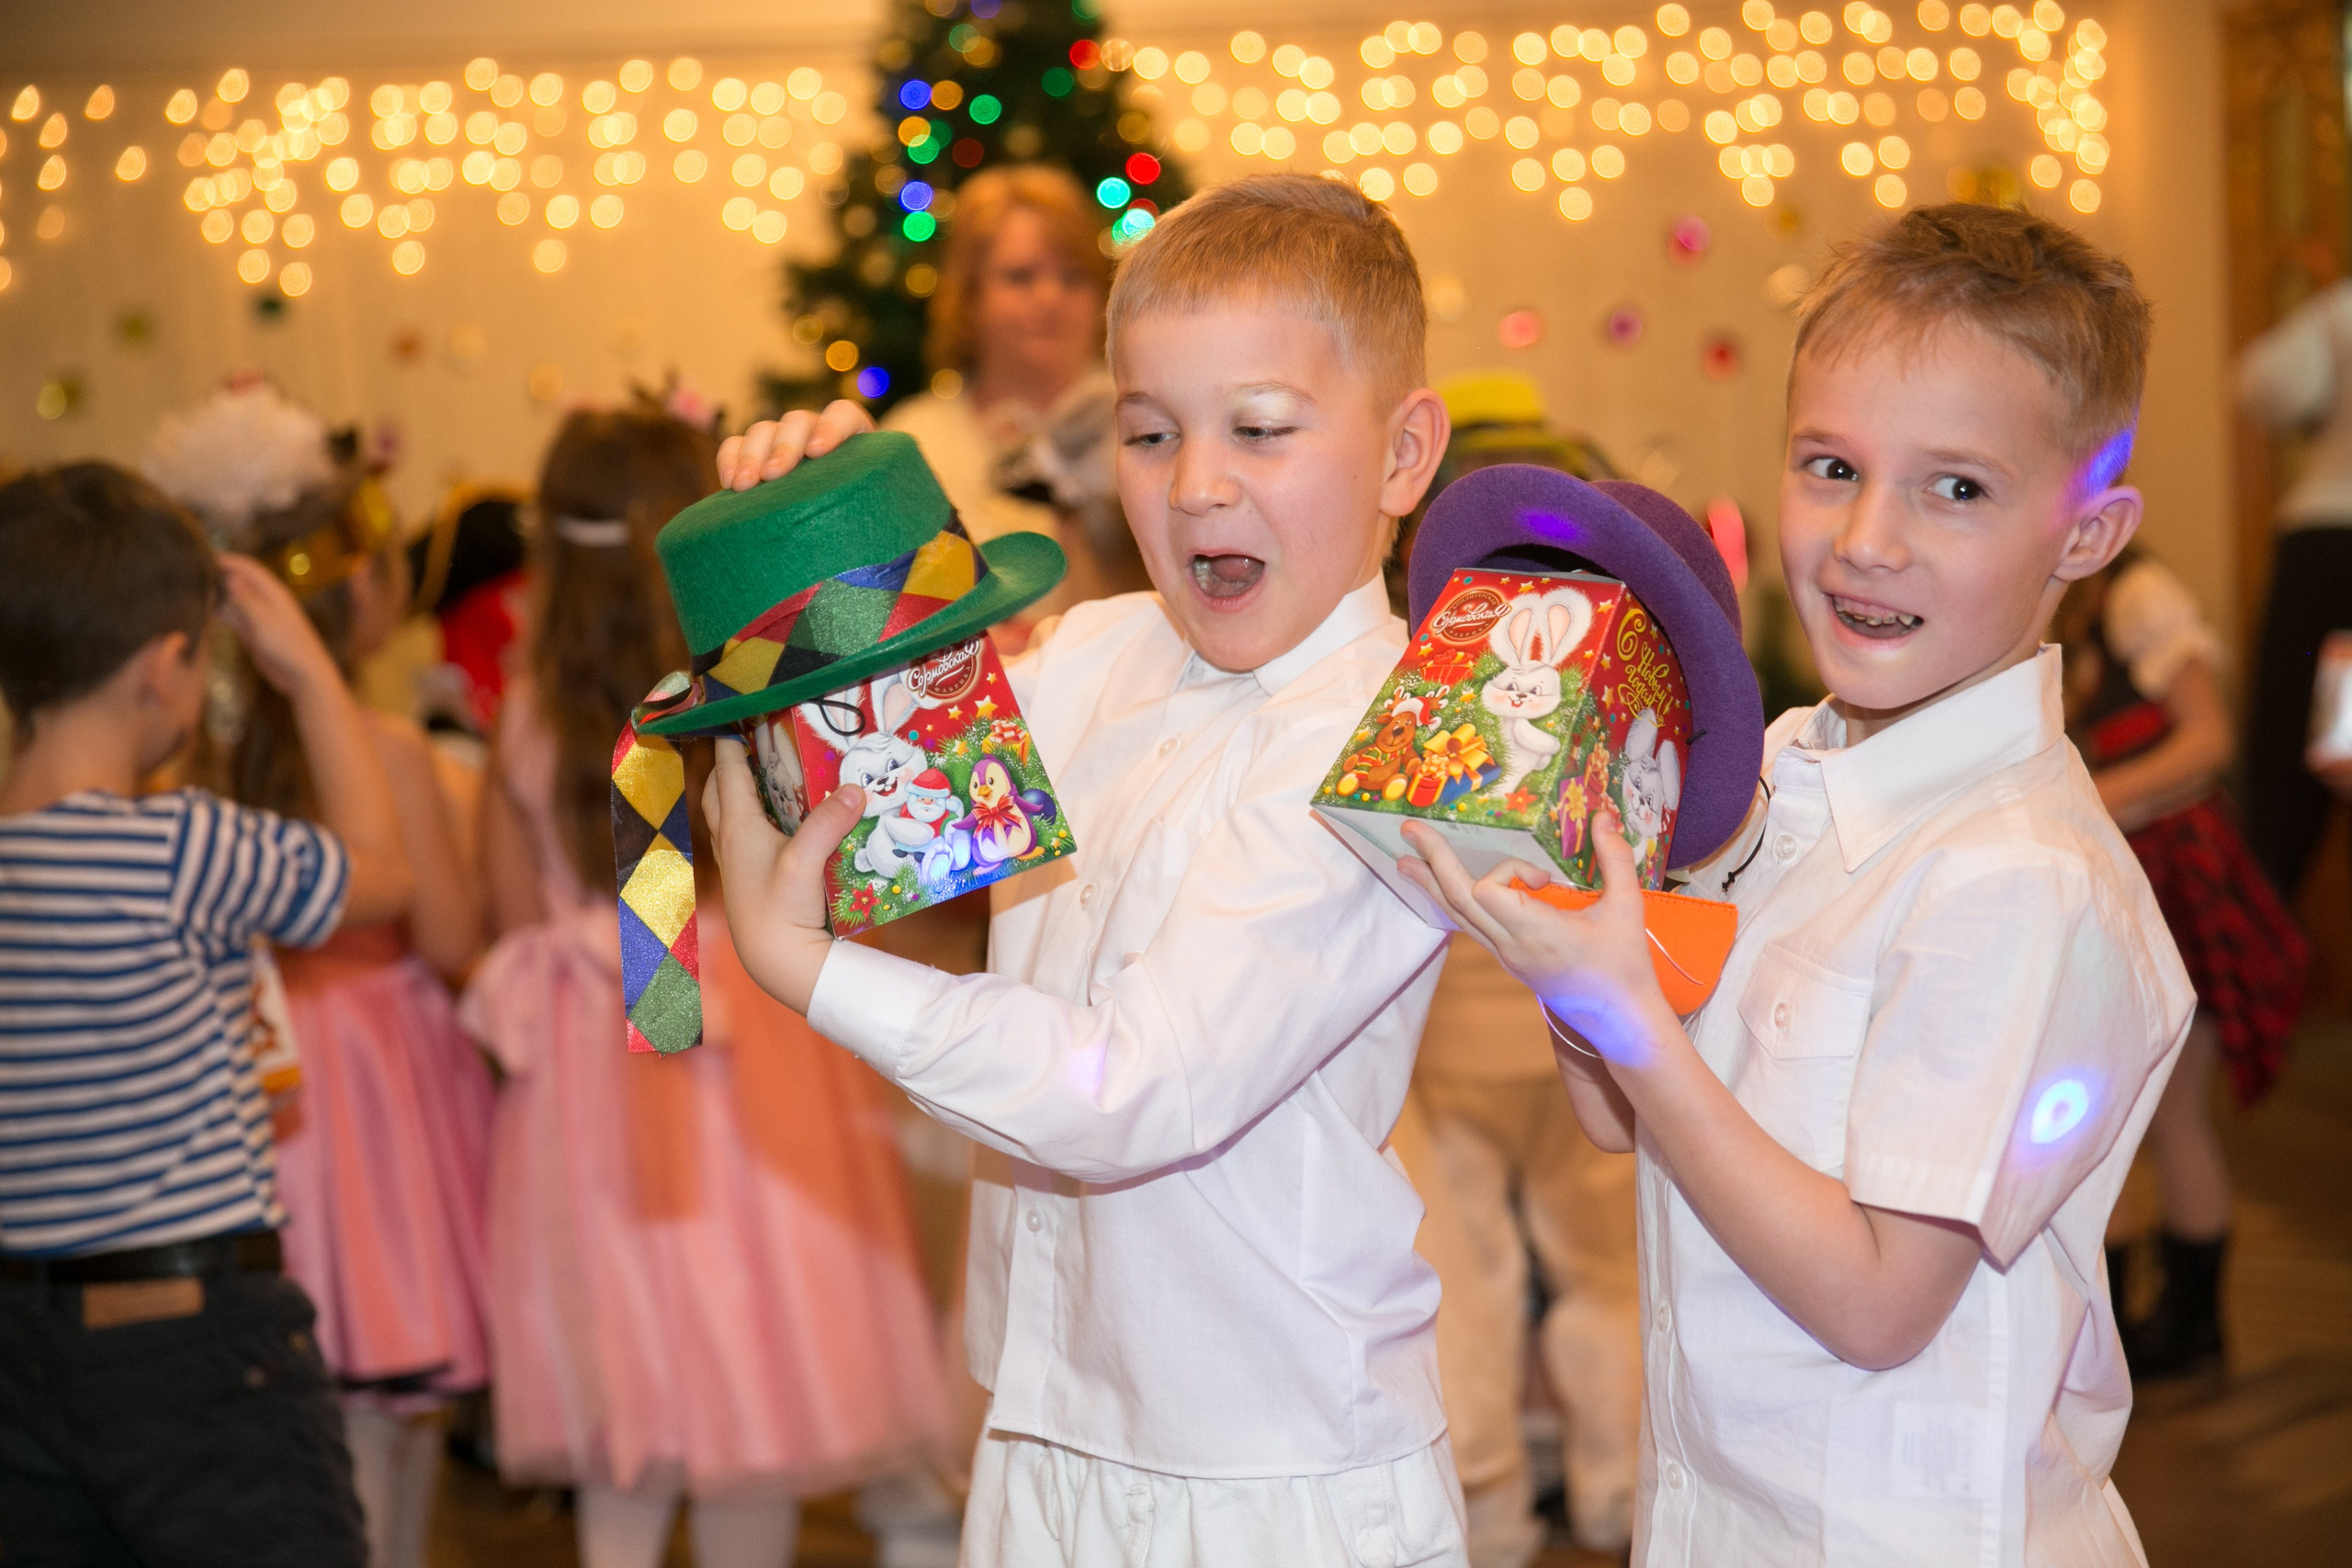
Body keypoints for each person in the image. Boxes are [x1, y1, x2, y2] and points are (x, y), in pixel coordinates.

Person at [1402, 203, 2197, 1564]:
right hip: (1720, 1511)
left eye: (1958, 487)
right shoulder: (1775, 771)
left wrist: (1632, 1023)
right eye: (1831, 465)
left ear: (2087, 531)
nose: (1867, 537)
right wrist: (1572, 937)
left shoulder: (2020, 879)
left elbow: (1883, 1299)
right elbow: (1617, 1121)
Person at [710, 173, 1471, 1566]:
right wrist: (821, 533)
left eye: (1260, 429)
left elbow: (1139, 1083)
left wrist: (806, 968)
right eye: (1148, 430)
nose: (1194, 483)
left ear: (1405, 453)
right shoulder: (1101, 656)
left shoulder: (1396, 742)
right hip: (1046, 1430)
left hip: (1273, 1477)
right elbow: (887, 798)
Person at [462, 400, 948, 1568]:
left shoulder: (525, 721)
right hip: (755, 1054)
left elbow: (498, 919)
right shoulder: (748, 699)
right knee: (760, 1381)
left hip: (595, 1086)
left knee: (620, 1404)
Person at [0, 462, 410, 1565]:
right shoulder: (185, 845)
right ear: (168, 668)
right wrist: (312, 680)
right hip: (200, 1351)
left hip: (21, 1353)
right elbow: (382, 876)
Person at [165, 399, 497, 1568]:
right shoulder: (392, 754)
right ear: (358, 599)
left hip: (253, 1084)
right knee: (392, 1410)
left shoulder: (185, 764)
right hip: (386, 1097)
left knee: (293, 1411)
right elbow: (453, 933)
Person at [1398, 371, 1641, 1566]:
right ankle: (1615, 1483)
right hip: (1575, 1003)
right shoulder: (1615, 649)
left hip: (1450, 1010)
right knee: (1600, 1255)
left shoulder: (1423, 655)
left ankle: (1487, 1504)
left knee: (1464, 1266)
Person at [2054, 549, 2308, 1379]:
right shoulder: (2076, 607)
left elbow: (2209, 736)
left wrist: (2097, 798)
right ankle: (2139, 1323)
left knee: (2164, 1114)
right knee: (2117, 1115)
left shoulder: (2140, 595)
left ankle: (2184, 1324)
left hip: (2180, 886)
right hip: (2130, 885)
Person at [882, 164, 1143, 638]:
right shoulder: (914, 439)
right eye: (1021, 277)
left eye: (1073, 276)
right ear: (969, 297)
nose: (1050, 297)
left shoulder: (1146, 416)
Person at [2235, 282, 2352, 899]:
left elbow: (2264, 386)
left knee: (2285, 774)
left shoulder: (2342, 310)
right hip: (2328, 560)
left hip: (2327, 563)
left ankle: (2255, 968)